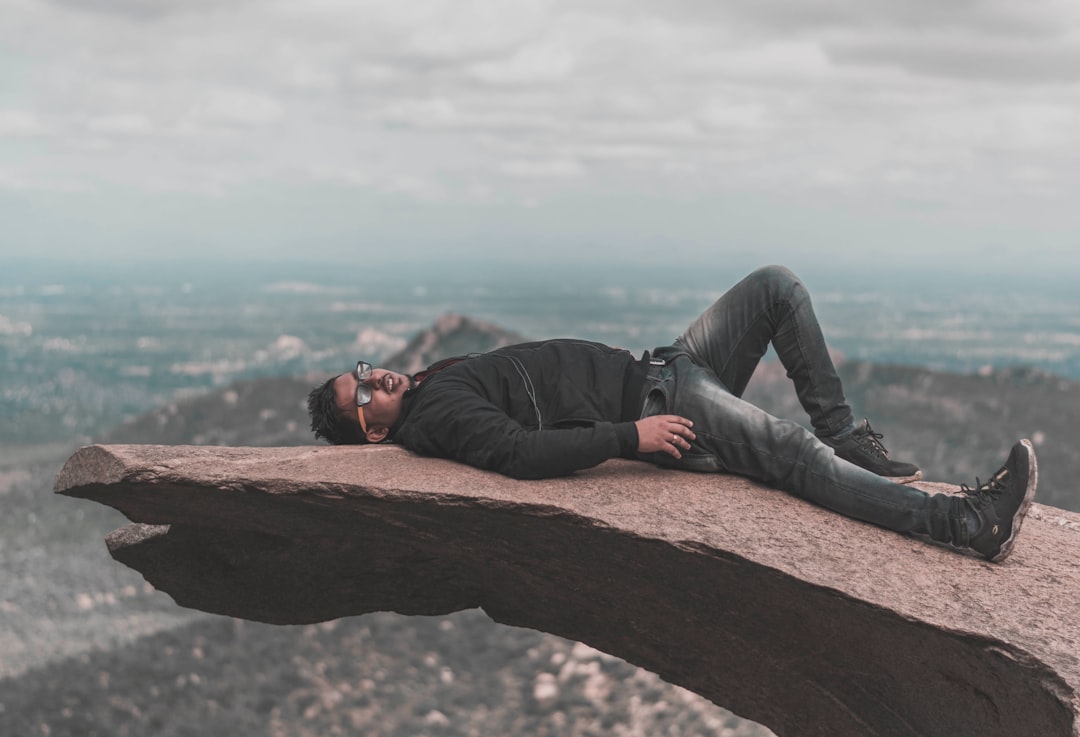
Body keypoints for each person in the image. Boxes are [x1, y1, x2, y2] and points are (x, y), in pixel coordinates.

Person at [307, 266, 1037, 562]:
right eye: (362, 393)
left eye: (364, 371)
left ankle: (848, 435)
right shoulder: (438, 417)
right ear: (371, 430)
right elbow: (519, 456)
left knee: (777, 288)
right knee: (791, 453)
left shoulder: (433, 387)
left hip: (668, 365)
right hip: (661, 403)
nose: (376, 378)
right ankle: (964, 524)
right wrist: (634, 436)